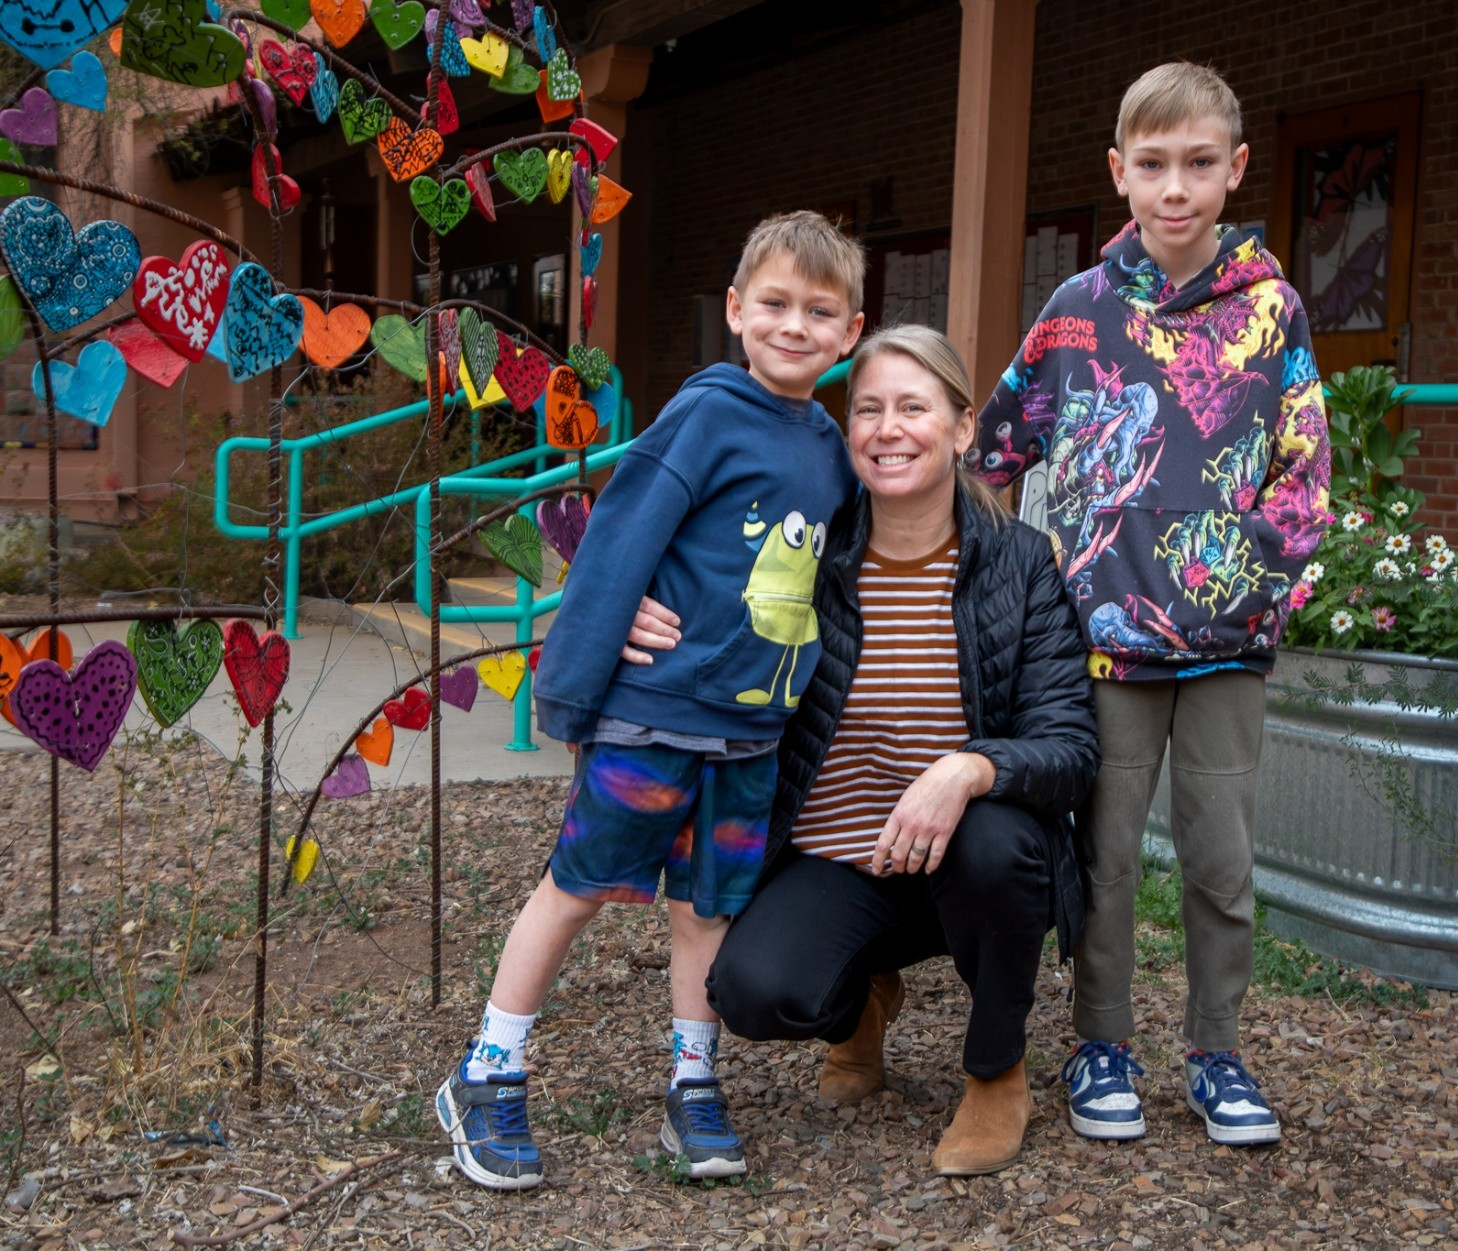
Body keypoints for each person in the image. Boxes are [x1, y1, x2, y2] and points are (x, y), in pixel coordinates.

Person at [434, 210, 866, 1189]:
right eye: (775, 304)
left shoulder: (832, 452)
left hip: (750, 730)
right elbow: (622, 531)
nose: (794, 325)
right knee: (578, 887)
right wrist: (588, 667)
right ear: (736, 310)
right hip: (656, 712)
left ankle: (691, 1079)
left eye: (818, 310)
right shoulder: (705, 414)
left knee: (705, 913)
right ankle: (489, 1065)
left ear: (849, 331)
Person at [629, 325, 1098, 1176]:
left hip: (969, 859)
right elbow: (693, 564)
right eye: (868, 409)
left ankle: (996, 1070)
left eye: (913, 408)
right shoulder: (813, 551)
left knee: (996, 845)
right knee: (752, 991)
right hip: (842, 857)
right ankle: (860, 1005)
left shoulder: (1021, 565)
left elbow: (1069, 746)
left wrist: (966, 769)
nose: (888, 428)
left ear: (961, 429)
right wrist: (635, 608)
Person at [969, 62, 1334, 1147]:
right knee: (1104, 858)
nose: (1175, 187)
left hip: (1226, 652)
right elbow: (993, 447)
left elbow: (1304, 476)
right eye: (1153, 165)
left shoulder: (1272, 309)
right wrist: (1025, 588)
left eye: (1198, 164)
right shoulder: (1076, 313)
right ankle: (1102, 1044)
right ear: (1119, 173)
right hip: (1103, 651)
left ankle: (1218, 1054)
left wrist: (1241, 582)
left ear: (1234, 171)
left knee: (1220, 862)